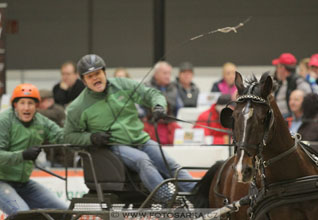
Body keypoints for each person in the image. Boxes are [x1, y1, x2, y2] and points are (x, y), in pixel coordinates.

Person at [64, 54, 195, 200]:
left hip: (141, 140)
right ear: (83, 80)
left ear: (104, 72)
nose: (95, 78)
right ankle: (170, 202)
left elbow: (151, 93)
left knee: (170, 163)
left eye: (98, 73)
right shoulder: (77, 107)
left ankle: (200, 196)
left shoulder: (122, 84)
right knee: (143, 161)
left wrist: (158, 106)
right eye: (90, 76)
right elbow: (68, 136)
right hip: (116, 146)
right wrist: (91, 137)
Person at [0, 84, 68, 216]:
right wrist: (22, 155)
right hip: (1, 182)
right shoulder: (4, 121)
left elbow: (61, 137)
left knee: (64, 212)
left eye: (30, 103)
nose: (26, 107)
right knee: (23, 215)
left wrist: (84, 135)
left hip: (24, 183)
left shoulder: (41, 122)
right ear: (15, 105)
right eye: (22, 103)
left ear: (37, 106)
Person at [272, 53, 311, 117]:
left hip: (291, 120)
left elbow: (308, 104)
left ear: (283, 68)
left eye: (277, 67)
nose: (276, 70)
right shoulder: (281, 82)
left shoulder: (299, 82)